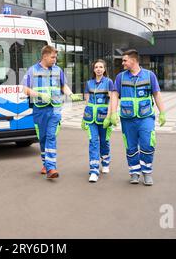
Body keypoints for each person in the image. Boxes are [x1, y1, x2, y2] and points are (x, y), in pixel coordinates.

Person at [22, 45, 83, 179]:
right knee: (42, 138)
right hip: (39, 109)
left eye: (56, 57)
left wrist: (71, 94)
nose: (55, 59)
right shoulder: (32, 70)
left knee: (51, 136)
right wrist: (38, 94)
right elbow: (25, 89)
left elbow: (63, 85)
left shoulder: (58, 70)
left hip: (55, 109)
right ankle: (46, 163)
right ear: (44, 56)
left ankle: (51, 168)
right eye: (53, 57)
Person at [109, 49, 166, 186]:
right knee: (131, 146)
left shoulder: (149, 75)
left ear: (133, 61)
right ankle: (134, 172)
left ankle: (147, 172)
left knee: (148, 144)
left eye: (125, 60)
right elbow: (115, 95)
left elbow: (156, 94)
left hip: (145, 117)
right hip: (127, 119)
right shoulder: (120, 77)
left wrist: (162, 112)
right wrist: (112, 113)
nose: (122, 63)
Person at [81, 60, 114, 183]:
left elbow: (112, 100)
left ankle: (105, 163)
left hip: (104, 118)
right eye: (96, 67)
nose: (98, 69)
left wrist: (109, 117)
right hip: (91, 119)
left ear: (104, 69)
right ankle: (94, 170)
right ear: (93, 70)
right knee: (93, 142)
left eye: (101, 67)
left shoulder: (109, 82)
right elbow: (87, 102)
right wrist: (84, 118)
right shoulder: (89, 83)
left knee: (104, 141)